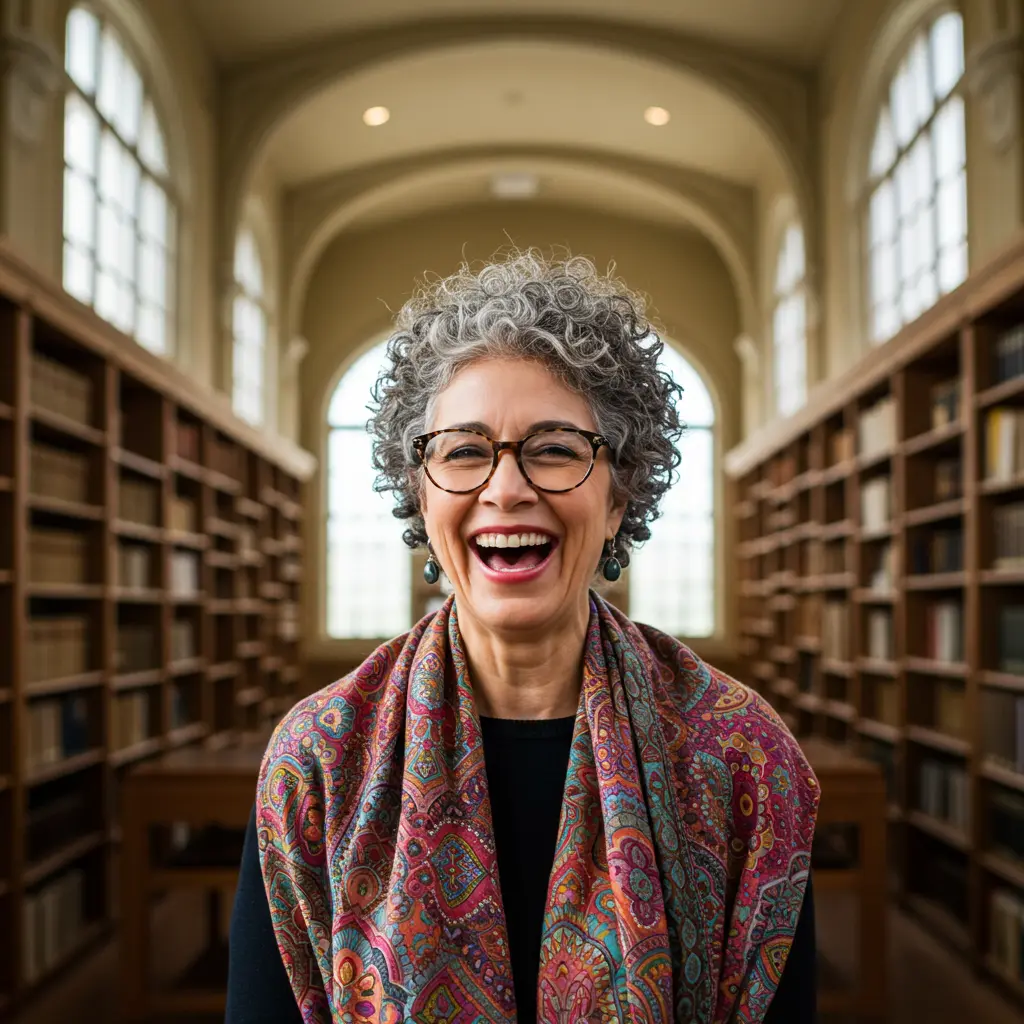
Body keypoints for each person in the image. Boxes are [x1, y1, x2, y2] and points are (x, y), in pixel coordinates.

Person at [226, 252, 820, 1024]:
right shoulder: (315, 761)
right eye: (464, 452)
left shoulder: (744, 758)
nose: (506, 489)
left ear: (619, 498)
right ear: (420, 495)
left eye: (555, 449)